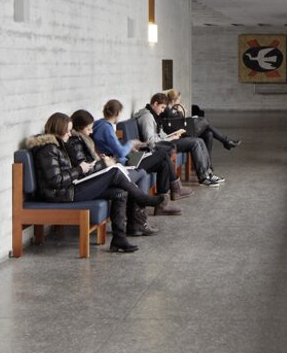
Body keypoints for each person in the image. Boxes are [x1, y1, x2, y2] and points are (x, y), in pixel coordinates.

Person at [26, 111, 166, 253]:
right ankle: (142, 198)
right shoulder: (48, 149)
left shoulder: (57, 145)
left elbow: (63, 173)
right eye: (67, 130)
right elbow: (55, 181)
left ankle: (119, 239)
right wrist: (79, 169)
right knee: (115, 172)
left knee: (120, 192)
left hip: (69, 188)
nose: (70, 133)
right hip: (61, 194)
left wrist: (85, 167)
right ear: (58, 129)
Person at [65, 110, 157, 236]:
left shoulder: (83, 140)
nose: (91, 132)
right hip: (89, 181)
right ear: (80, 128)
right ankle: (139, 220)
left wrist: (101, 159)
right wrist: (103, 163)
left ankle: (129, 229)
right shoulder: (76, 142)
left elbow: (87, 163)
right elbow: (84, 169)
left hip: (95, 177)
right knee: (138, 174)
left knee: (129, 181)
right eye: (88, 129)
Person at [91, 99, 188, 209]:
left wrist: (130, 149)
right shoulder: (106, 128)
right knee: (162, 154)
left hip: (123, 161)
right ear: (117, 113)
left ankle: (163, 203)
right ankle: (175, 189)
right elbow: (120, 152)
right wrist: (131, 143)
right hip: (123, 165)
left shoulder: (100, 124)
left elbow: (113, 148)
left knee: (163, 164)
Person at [137, 92, 223, 186]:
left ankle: (209, 173)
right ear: (155, 103)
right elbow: (150, 140)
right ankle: (203, 177)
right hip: (161, 145)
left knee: (200, 140)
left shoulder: (153, 115)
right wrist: (170, 138)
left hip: (165, 141)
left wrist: (171, 135)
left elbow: (159, 133)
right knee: (195, 142)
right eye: (162, 107)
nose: (162, 111)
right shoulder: (147, 117)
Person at [162, 89, 240, 152]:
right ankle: (226, 141)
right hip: (182, 135)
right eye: (179, 100)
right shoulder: (167, 110)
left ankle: (208, 164)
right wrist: (181, 112)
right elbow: (177, 123)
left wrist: (180, 112)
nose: (179, 102)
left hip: (184, 131)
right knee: (205, 121)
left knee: (209, 134)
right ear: (173, 101)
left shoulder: (173, 108)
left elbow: (179, 121)